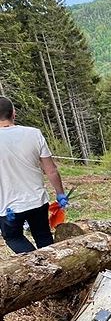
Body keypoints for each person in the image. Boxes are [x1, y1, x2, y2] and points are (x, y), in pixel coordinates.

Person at [0, 96, 68, 254]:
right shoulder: (34, 134)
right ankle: (52, 265)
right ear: (13, 113)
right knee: (43, 235)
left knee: (14, 238)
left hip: (8, 207)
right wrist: (60, 194)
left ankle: (36, 263)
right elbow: (51, 170)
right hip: (37, 200)